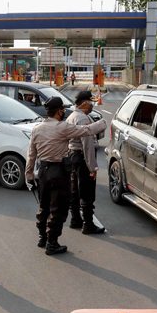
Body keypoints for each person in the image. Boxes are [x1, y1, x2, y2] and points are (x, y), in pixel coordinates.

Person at [25, 96, 107, 255]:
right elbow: (87, 131)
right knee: (58, 209)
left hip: (42, 171)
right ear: (59, 111)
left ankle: (42, 237)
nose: (63, 112)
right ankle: (52, 243)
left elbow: (31, 155)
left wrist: (29, 175)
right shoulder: (62, 127)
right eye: (62, 109)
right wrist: (103, 122)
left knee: (44, 206)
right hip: (58, 171)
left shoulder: (37, 129)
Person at [67, 90, 105, 234]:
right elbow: (87, 146)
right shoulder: (83, 119)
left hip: (72, 157)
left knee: (74, 191)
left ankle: (75, 219)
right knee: (87, 192)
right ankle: (88, 224)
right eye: (91, 102)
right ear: (84, 103)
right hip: (82, 159)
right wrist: (92, 168)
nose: (93, 105)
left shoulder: (71, 116)